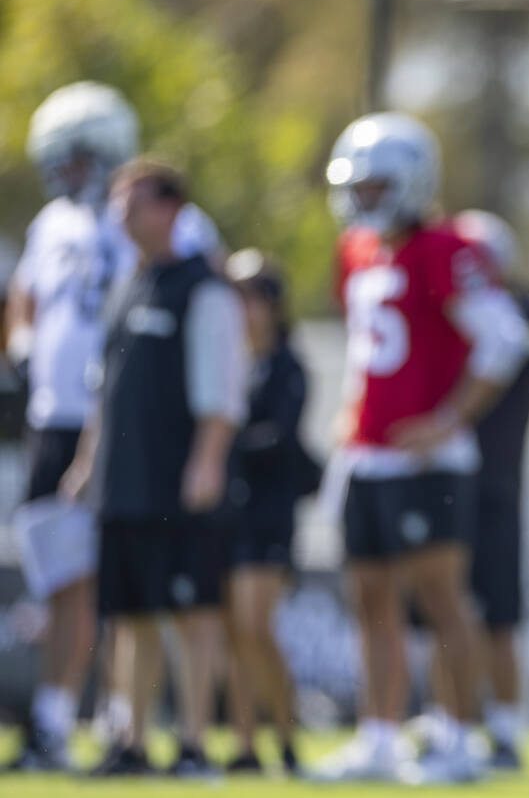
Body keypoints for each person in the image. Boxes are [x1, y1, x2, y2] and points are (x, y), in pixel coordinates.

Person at [315, 113, 528, 783]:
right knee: (369, 599)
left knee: (442, 602)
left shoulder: (444, 245)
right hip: (368, 454)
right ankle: (378, 735)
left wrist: (448, 418)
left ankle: (458, 738)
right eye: (360, 185)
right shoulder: (355, 248)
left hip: (428, 459)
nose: (366, 198)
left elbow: (503, 337)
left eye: (379, 185)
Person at [62, 158, 247, 777]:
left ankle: (194, 743)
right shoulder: (125, 287)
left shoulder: (204, 287)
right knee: (130, 618)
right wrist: (89, 463)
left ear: (169, 208)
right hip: (124, 484)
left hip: (179, 481)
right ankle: (132, 740)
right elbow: (103, 389)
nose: (122, 215)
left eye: (133, 203)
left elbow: (222, 387)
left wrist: (208, 460)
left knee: (193, 615)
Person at [2, 80, 138, 772]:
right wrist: (22, 345)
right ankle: (54, 721)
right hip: (54, 418)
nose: (70, 172)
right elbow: (22, 298)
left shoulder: (145, 216)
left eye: (80, 157)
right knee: (60, 580)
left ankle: (123, 722)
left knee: (116, 582)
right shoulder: (50, 225)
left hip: (119, 423)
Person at [221, 248, 312, 775]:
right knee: (235, 630)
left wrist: (223, 444)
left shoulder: (286, 365)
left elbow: (279, 437)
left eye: (252, 295)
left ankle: (286, 732)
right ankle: (245, 743)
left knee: (257, 625)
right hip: (229, 509)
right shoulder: (228, 360)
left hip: (270, 510)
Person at [452, 209, 529, 769]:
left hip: (497, 482)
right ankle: (450, 720)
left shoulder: (512, 318)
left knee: (497, 613)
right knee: (446, 608)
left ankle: (504, 726)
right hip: (451, 480)